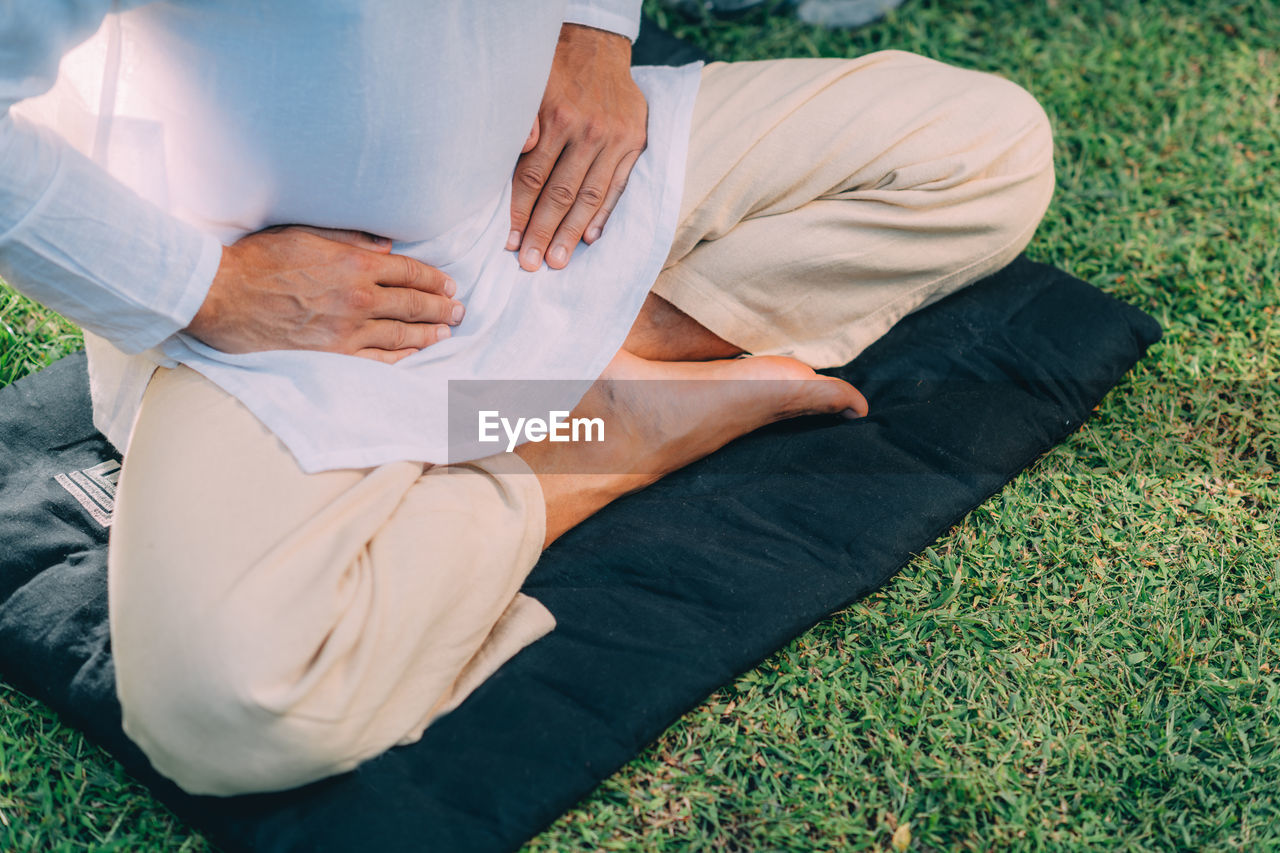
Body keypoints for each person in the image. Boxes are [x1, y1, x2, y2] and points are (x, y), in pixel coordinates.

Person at [0, 1, 1053, 796]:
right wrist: (205, 290)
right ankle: (582, 442)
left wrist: (593, 30)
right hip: (295, 311)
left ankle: (585, 370)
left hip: (542, 196)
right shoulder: (244, 297)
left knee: (987, 150)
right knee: (227, 709)